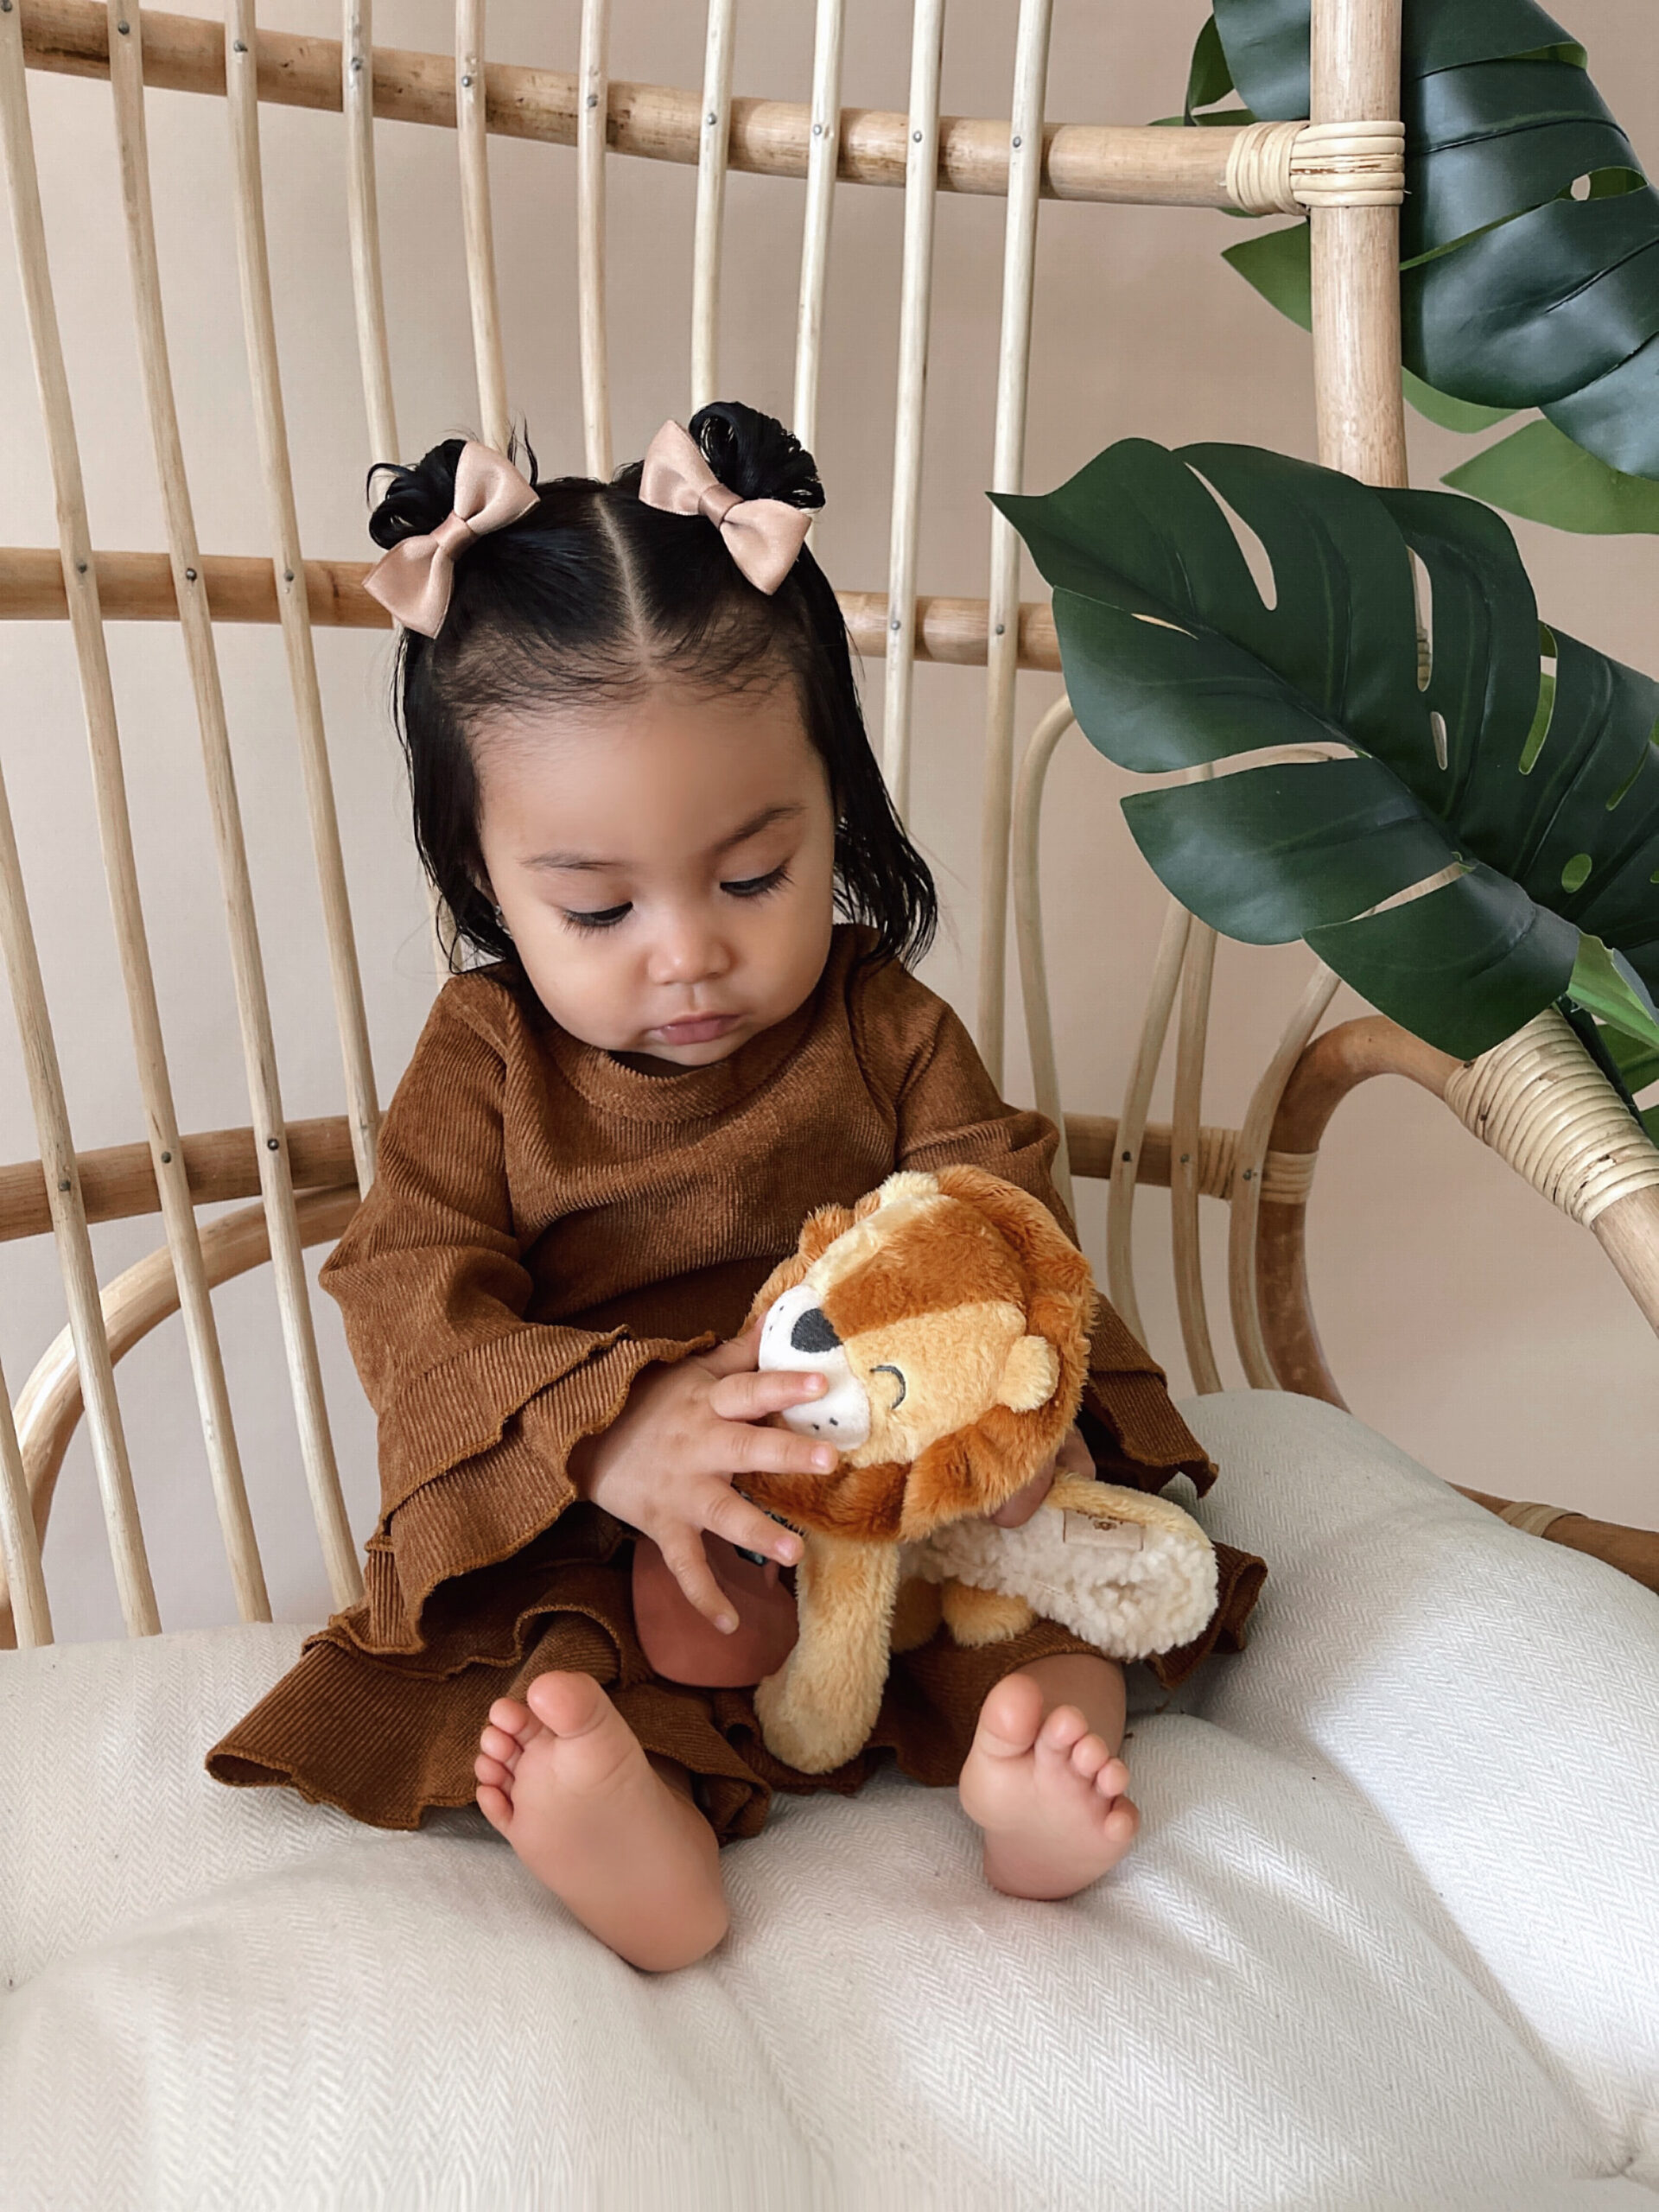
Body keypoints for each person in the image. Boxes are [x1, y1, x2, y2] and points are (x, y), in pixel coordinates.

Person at [208, 403, 1265, 1972]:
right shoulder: (487, 1058)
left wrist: (1003, 1413)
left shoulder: (880, 1019)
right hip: (626, 1501)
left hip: (900, 1476)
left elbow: (997, 1200)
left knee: (1047, 1601)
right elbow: (404, 1278)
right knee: (579, 1649)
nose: (687, 951)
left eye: (753, 877)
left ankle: (1032, 1755)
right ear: (485, 881)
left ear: (831, 809)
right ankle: (638, 1826)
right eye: (596, 905)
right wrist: (611, 1433)